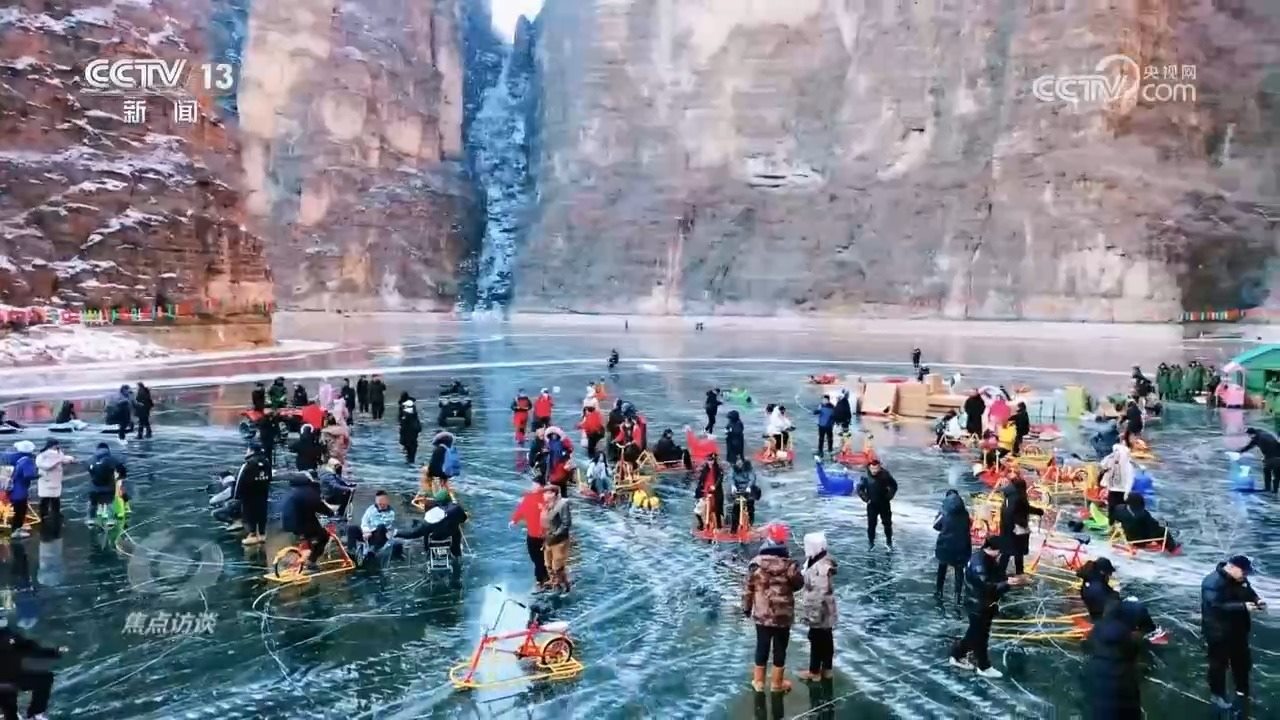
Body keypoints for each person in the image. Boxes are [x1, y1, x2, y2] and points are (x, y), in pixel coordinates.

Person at [949, 537, 1025, 678]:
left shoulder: (985, 559)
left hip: (983, 604)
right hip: (978, 604)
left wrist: (1007, 580)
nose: (1000, 554)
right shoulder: (980, 562)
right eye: (999, 551)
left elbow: (995, 578)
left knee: (975, 634)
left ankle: (957, 653)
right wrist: (1007, 584)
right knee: (981, 636)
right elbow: (987, 586)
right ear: (991, 549)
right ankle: (983, 666)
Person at [743, 523, 804, 693]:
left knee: (762, 646)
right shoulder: (790, 565)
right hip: (783, 615)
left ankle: (759, 682)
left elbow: (748, 589)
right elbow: (799, 584)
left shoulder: (756, 564)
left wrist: (746, 608)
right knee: (780, 648)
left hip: (762, 614)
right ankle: (777, 684)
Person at [1201, 555, 1265, 710]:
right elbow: (1216, 605)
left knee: (1242, 662)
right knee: (1218, 665)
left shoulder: (1239, 578)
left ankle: (1242, 690)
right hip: (1218, 631)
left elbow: (1248, 591)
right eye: (1244, 572)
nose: (1245, 575)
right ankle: (1217, 694)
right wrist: (1243, 607)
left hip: (1238, 630)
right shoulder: (1212, 582)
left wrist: (1257, 600)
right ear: (1232, 567)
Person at [1086, 595, 1159, 719]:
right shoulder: (1128, 634)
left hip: (1102, 685)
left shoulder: (1097, 630)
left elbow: (1087, 646)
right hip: (1124, 685)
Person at [0, 623, 64, 720]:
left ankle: (35, 713)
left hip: (12, 679)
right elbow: (31, 649)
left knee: (44, 680)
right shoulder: (10, 636)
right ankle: (35, 714)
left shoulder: (10, 636)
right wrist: (54, 653)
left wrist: (53, 653)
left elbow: (31, 648)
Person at [797, 531, 837, 683]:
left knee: (817, 639)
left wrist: (813, 616)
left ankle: (814, 671)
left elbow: (819, 593)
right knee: (826, 638)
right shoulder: (821, 561)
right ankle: (827, 669)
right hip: (826, 609)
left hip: (819, 610)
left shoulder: (819, 568)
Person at [279, 472, 335, 571]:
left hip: (288, 524)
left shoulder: (290, 492)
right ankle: (311, 561)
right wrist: (330, 513)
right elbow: (320, 508)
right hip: (303, 524)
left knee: (306, 538)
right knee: (324, 537)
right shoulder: (310, 492)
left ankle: (298, 556)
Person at [998, 476, 1043, 577]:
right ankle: (1019, 572)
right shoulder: (1019, 497)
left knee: (1006, 551)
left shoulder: (1008, 495)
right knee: (1019, 551)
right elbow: (1025, 508)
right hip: (1017, 527)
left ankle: (1000, 572)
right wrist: (1039, 511)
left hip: (1006, 527)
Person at [933, 489, 971, 603]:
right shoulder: (965, 513)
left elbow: (935, 525)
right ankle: (957, 596)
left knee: (942, 567)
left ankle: (939, 591)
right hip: (962, 545)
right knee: (959, 570)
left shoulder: (944, 512)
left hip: (945, 544)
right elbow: (968, 526)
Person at [509, 482, 549, 589]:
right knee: (536, 559)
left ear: (541, 486)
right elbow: (521, 509)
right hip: (532, 535)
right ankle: (541, 580)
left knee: (541, 560)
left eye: (534, 485)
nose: (532, 487)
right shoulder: (528, 497)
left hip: (544, 536)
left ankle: (542, 580)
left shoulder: (546, 498)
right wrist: (514, 520)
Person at [347, 490, 401, 565]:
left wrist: (371, 531)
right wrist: (366, 531)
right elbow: (364, 521)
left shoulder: (391, 512)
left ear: (387, 501)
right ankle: (352, 551)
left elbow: (388, 526)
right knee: (352, 528)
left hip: (381, 536)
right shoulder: (371, 509)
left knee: (381, 526)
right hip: (368, 534)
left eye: (382, 503)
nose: (380, 505)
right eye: (379, 503)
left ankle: (372, 550)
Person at [233, 442, 271, 546]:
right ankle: (262, 534)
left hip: (249, 495)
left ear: (251, 451)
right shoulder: (266, 462)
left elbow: (240, 481)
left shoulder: (248, 464)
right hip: (263, 493)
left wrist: (236, 496)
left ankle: (253, 534)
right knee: (262, 513)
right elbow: (270, 478)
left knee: (250, 514)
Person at [1113, 494, 1181, 552]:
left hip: (1128, 536)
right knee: (1163, 531)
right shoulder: (1143, 514)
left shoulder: (1119, 509)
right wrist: (1161, 525)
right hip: (1140, 540)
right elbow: (1154, 526)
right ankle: (1173, 549)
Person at [857, 459, 897, 549]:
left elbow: (894, 486)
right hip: (872, 504)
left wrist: (889, 496)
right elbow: (860, 489)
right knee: (871, 525)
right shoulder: (865, 476)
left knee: (887, 524)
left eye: (876, 469)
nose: (874, 471)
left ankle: (889, 542)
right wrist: (866, 499)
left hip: (884, 503)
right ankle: (871, 543)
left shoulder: (885, 474)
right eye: (872, 469)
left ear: (879, 468)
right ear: (869, 468)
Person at [85, 443, 126, 527]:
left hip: (94, 487)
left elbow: (88, 469)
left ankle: (91, 519)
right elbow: (122, 469)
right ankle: (110, 521)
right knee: (109, 502)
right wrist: (120, 477)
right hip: (108, 487)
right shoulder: (112, 459)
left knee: (93, 502)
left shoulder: (91, 459)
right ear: (108, 450)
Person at [2, 441, 37, 538]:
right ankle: (16, 531)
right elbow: (28, 475)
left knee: (18, 510)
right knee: (20, 511)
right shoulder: (26, 461)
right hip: (20, 492)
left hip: (13, 491)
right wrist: (39, 475)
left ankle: (17, 528)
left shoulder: (18, 460)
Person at [540, 484, 572, 592]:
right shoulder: (546, 505)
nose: (544, 495)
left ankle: (565, 586)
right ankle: (554, 582)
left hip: (559, 541)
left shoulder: (562, 504)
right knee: (548, 564)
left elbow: (566, 524)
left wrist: (555, 534)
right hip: (548, 540)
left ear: (553, 494)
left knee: (557, 567)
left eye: (547, 493)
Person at [34, 440, 73, 523]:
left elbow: (63, 459)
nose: (57, 447)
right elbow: (45, 466)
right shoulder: (42, 455)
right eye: (56, 445)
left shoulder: (59, 453)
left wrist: (70, 460)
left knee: (56, 498)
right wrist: (58, 461)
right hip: (46, 479)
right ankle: (43, 514)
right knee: (45, 498)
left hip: (56, 479)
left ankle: (56, 513)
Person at [1099, 441, 1135, 523]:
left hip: (1121, 491)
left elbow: (1130, 480)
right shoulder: (1113, 462)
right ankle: (1113, 524)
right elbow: (1103, 464)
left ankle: (1116, 524)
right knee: (1113, 509)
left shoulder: (1127, 465)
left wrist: (1127, 492)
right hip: (1114, 490)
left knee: (1117, 509)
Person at [1239, 427, 1280, 493]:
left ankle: (1268, 489)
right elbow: (1251, 445)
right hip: (1277, 456)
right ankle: (1274, 490)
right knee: (1276, 473)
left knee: (1267, 471)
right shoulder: (1262, 434)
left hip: (1272, 457)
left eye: (1249, 435)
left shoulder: (1259, 438)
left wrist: (1240, 451)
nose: (1249, 437)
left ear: (1252, 434)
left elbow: (1251, 445)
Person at [727, 457, 760, 532]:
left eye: (740, 463)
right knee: (735, 509)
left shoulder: (749, 469)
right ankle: (734, 529)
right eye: (737, 463)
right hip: (738, 490)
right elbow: (731, 478)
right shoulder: (733, 469)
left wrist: (748, 487)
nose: (739, 464)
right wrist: (733, 486)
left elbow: (752, 479)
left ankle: (750, 524)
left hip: (748, 489)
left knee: (750, 506)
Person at [695, 453, 726, 531]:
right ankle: (701, 524)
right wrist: (700, 489)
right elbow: (701, 481)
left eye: (711, 460)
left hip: (716, 492)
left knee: (717, 510)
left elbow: (720, 479)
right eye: (709, 460)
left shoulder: (718, 469)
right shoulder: (704, 469)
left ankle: (719, 527)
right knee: (697, 511)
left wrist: (715, 486)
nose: (710, 462)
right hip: (705, 492)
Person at [399, 398, 422, 464]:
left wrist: (402, 442)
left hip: (408, 442)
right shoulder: (415, 418)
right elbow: (419, 429)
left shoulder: (405, 418)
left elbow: (402, 431)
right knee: (411, 458)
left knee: (409, 458)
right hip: (412, 442)